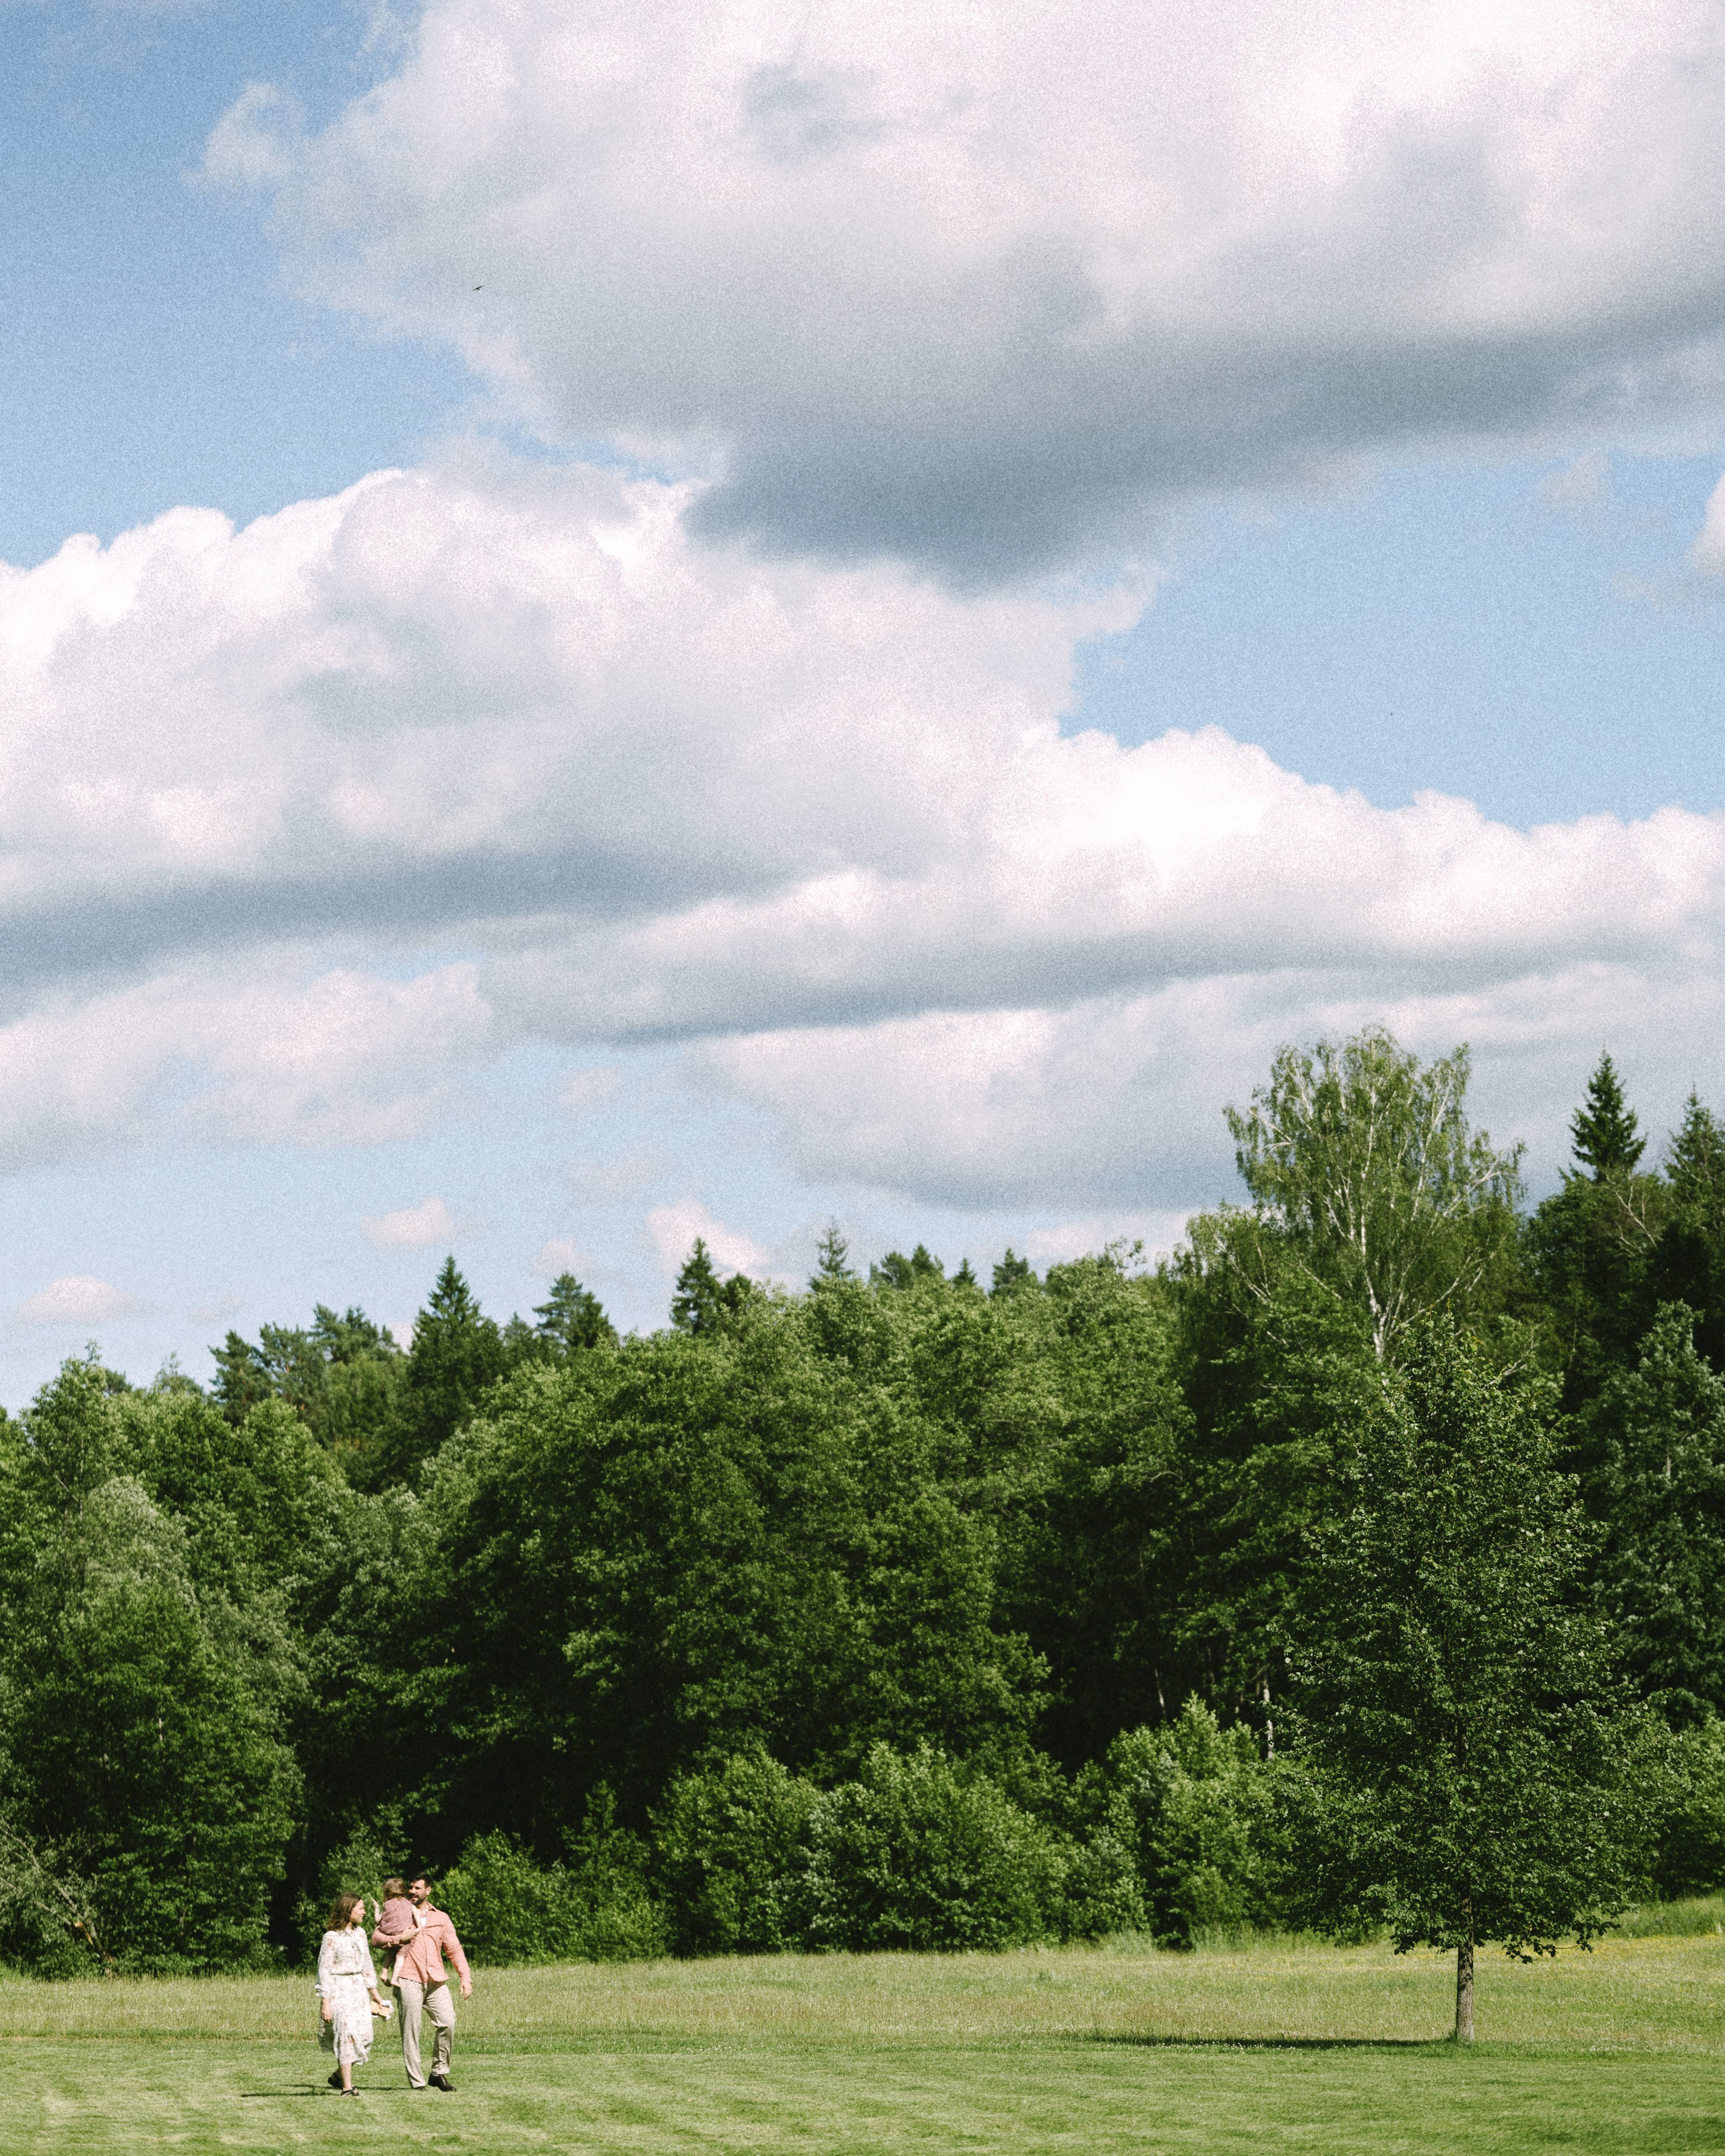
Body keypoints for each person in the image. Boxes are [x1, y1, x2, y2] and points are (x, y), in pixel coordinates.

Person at [388, 1872, 472, 2092]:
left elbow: (454, 1950)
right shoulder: (400, 1913)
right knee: (411, 2031)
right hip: (409, 1978)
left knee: (448, 2022)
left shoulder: (441, 1918)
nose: (413, 1892)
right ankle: (418, 2083)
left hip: (435, 1980)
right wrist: (397, 1940)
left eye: (418, 1888)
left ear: (429, 1890)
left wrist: (465, 1978)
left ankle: (438, 2073)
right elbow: (378, 1938)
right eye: (411, 1888)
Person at [315, 1893, 388, 2097]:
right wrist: (325, 2001)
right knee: (346, 2035)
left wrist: (376, 1994)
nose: (365, 1912)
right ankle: (347, 2087)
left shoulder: (361, 1934)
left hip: (358, 1989)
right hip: (339, 1988)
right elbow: (324, 1970)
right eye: (361, 1908)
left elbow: (366, 1965)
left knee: (365, 2035)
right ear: (349, 1910)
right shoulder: (331, 1937)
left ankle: (339, 2075)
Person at [371, 1876, 425, 1986]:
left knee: (390, 1952)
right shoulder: (410, 1905)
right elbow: (419, 1924)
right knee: (401, 1956)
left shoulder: (386, 1905)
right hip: (403, 1934)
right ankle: (395, 1978)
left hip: (388, 1932)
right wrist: (416, 1930)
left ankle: (384, 1973)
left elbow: (377, 1921)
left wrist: (376, 1908)